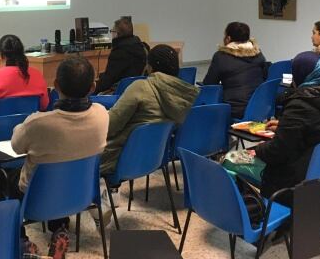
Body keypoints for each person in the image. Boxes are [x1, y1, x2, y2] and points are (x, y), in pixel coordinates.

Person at [9, 56, 109, 259]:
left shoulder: (38, 123)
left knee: (2, 177)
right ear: (92, 87)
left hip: (37, 197)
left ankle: (21, 242)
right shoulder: (102, 114)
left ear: (55, 86)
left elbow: (16, 146)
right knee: (63, 166)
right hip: (81, 192)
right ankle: (59, 229)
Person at [253, 51, 320, 200]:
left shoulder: (300, 104)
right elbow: (318, 126)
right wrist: (285, 125)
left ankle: (256, 214)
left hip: (291, 181)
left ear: (300, 75)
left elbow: (276, 152)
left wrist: (258, 148)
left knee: (230, 162)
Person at [101, 44, 199, 176]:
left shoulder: (140, 87)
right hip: (154, 159)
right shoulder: (182, 95)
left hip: (118, 157)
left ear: (150, 67)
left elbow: (110, 126)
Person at [0, 35, 49, 126]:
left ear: (2, 55)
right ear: (22, 52)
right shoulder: (37, 74)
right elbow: (44, 105)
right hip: (28, 127)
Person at [202, 22, 266, 119]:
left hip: (235, 110)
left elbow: (209, 84)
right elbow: (265, 78)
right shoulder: (258, 54)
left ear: (228, 38)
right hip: (259, 107)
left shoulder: (221, 56)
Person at [94, 17, 147, 94]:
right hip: (137, 90)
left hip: (119, 93)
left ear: (116, 33)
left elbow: (107, 82)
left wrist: (92, 88)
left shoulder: (119, 52)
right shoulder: (142, 47)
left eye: (112, 31)